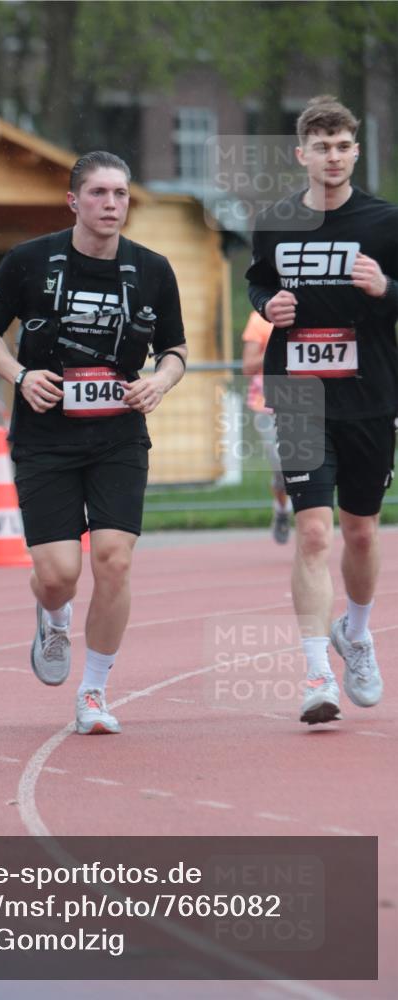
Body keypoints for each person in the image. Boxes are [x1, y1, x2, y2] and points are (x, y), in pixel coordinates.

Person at [0, 151, 187, 734]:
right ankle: (53, 612)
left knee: (114, 561)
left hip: (118, 436)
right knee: (61, 573)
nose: (111, 204)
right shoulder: (29, 261)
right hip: (45, 438)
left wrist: (160, 382)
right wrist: (20, 375)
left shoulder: (153, 269)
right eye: (98, 193)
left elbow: (175, 349)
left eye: (120, 194)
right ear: (74, 201)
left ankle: (93, 692)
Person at [246, 95, 397, 726]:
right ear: (301, 154)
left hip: (369, 394)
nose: (332, 157)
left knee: (359, 530)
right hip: (300, 392)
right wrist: (266, 305)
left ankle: (355, 634)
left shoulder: (387, 222)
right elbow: (258, 278)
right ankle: (315, 672)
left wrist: (387, 288)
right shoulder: (277, 221)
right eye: (320, 147)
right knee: (313, 531)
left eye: (342, 146)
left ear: (355, 151)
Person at [241, 309, 292, 543]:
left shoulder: (310, 308)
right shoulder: (259, 318)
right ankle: (282, 510)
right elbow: (248, 365)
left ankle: (311, 531)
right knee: (282, 470)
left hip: (306, 400)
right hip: (267, 405)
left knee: (309, 467)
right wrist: (279, 347)